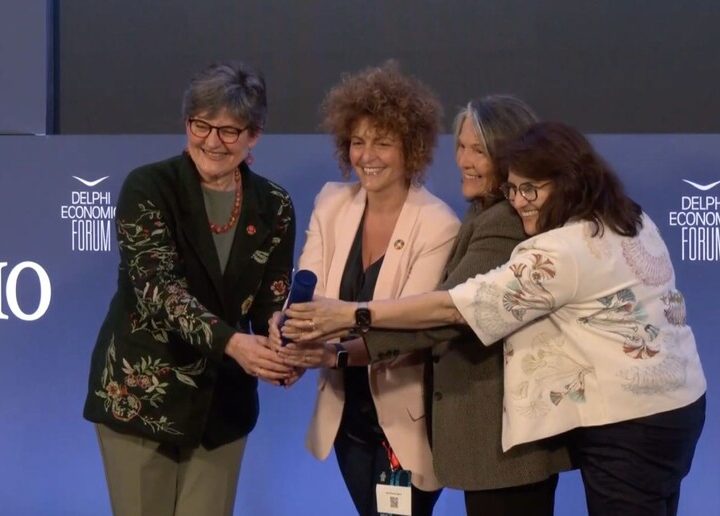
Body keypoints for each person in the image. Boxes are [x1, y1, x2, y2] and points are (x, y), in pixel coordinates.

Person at [282, 121, 707, 516]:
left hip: (628, 424)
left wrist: (353, 314)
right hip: (679, 407)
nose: (517, 202)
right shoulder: (627, 216)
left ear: (569, 181)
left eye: (529, 190)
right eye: (512, 188)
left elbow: (455, 309)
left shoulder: (560, 251)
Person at [275, 96, 571, 516]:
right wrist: (291, 333)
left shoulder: (491, 223)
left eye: (479, 150)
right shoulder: (480, 214)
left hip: (472, 435)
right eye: (462, 146)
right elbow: (312, 296)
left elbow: (441, 318)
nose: (465, 160)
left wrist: (339, 336)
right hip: (362, 421)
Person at [82, 61, 297, 516]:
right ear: (187, 124)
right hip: (143, 397)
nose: (212, 141)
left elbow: (271, 298)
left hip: (222, 406)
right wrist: (235, 344)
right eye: (202, 125)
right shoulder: (149, 187)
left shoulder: (274, 204)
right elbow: (158, 290)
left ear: (254, 135)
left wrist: (282, 346)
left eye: (229, 130)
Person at [282, 61, 460, 515]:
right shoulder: (331, 202)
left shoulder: (437, 224)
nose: (367, 156)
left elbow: (407, 329)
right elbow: (308, 297)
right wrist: (288, 338)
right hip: (348, 418)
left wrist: (331, 354)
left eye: (383, 142)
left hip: (409, 423)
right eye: (358, 142)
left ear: (412, 148)